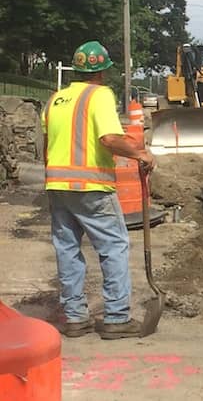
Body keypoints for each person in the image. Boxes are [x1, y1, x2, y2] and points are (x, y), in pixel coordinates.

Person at [42, 41, 156, 339]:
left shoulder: (56, 99)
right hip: (92, 186)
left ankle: (75, 318)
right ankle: (117, 317)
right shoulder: (100, 96)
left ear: (77, 70)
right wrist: (140, 154)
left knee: (67, 249)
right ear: (102, 72)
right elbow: (109, 138)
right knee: (113, 247)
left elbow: (47, 147)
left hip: (57, 185)